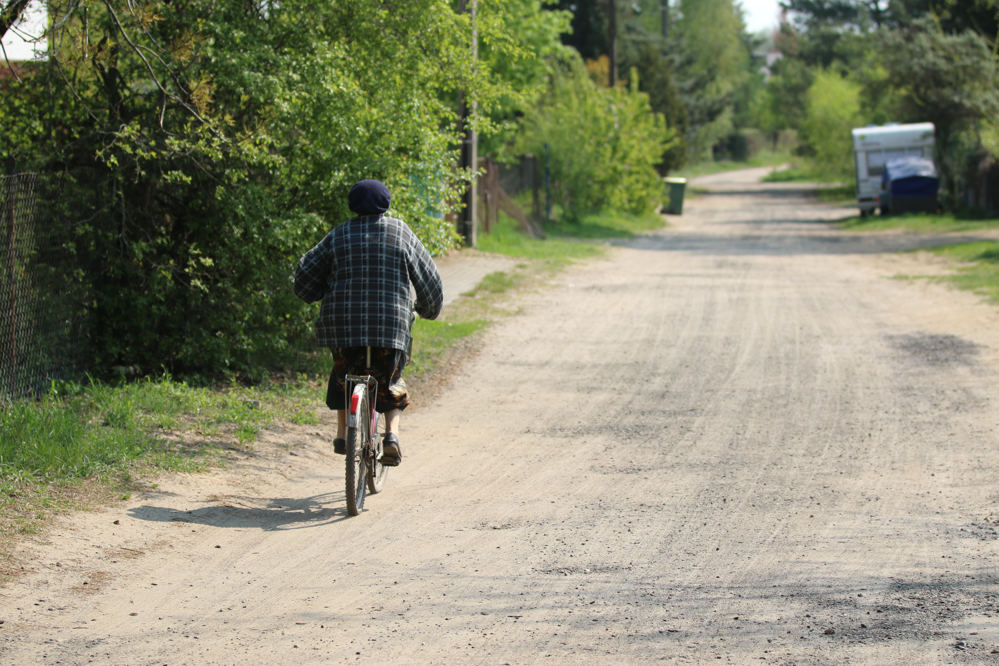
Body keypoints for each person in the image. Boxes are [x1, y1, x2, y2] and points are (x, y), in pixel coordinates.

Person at [294, 179, 443, 466]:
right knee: (391, 378)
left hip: (342, 328)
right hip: (391, 325)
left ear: (353, 205)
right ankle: (392, 436)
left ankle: (341, 435)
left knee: (342, 375)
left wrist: (317, 290)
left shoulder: (337, 236)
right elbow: (430, 279)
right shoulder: (401, 232)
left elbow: (303, 281)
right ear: (385, 204)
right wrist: (427, 308)